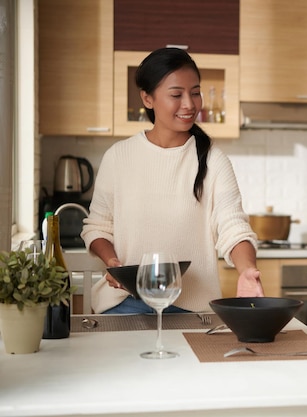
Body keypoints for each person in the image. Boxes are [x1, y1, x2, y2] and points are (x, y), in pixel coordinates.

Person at [81, 47, 264, 314]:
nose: (189, 105)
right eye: (176, 95)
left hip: (191, 308)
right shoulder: (118, 157)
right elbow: (97, 227)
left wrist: (247, 271)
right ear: (148, 99)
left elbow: (233, 228)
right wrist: (113, 262)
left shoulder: (213, 161)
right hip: (123, 303)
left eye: (195, 92)